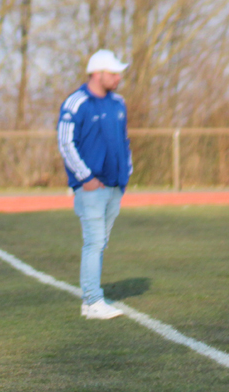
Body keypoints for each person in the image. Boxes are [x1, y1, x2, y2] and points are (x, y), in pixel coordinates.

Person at [57, 49, 132, 320]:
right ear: (97, 74)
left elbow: (124, 141)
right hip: (91, 187)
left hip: (115, 185)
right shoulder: (77, 102)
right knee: (94, 242)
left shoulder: (118, 103)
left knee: (100, 243)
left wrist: (126, 173)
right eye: (113, 73)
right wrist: (86, 178)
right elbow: (66, 143)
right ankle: (91, 301)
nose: (118, 78)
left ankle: (93, 298)